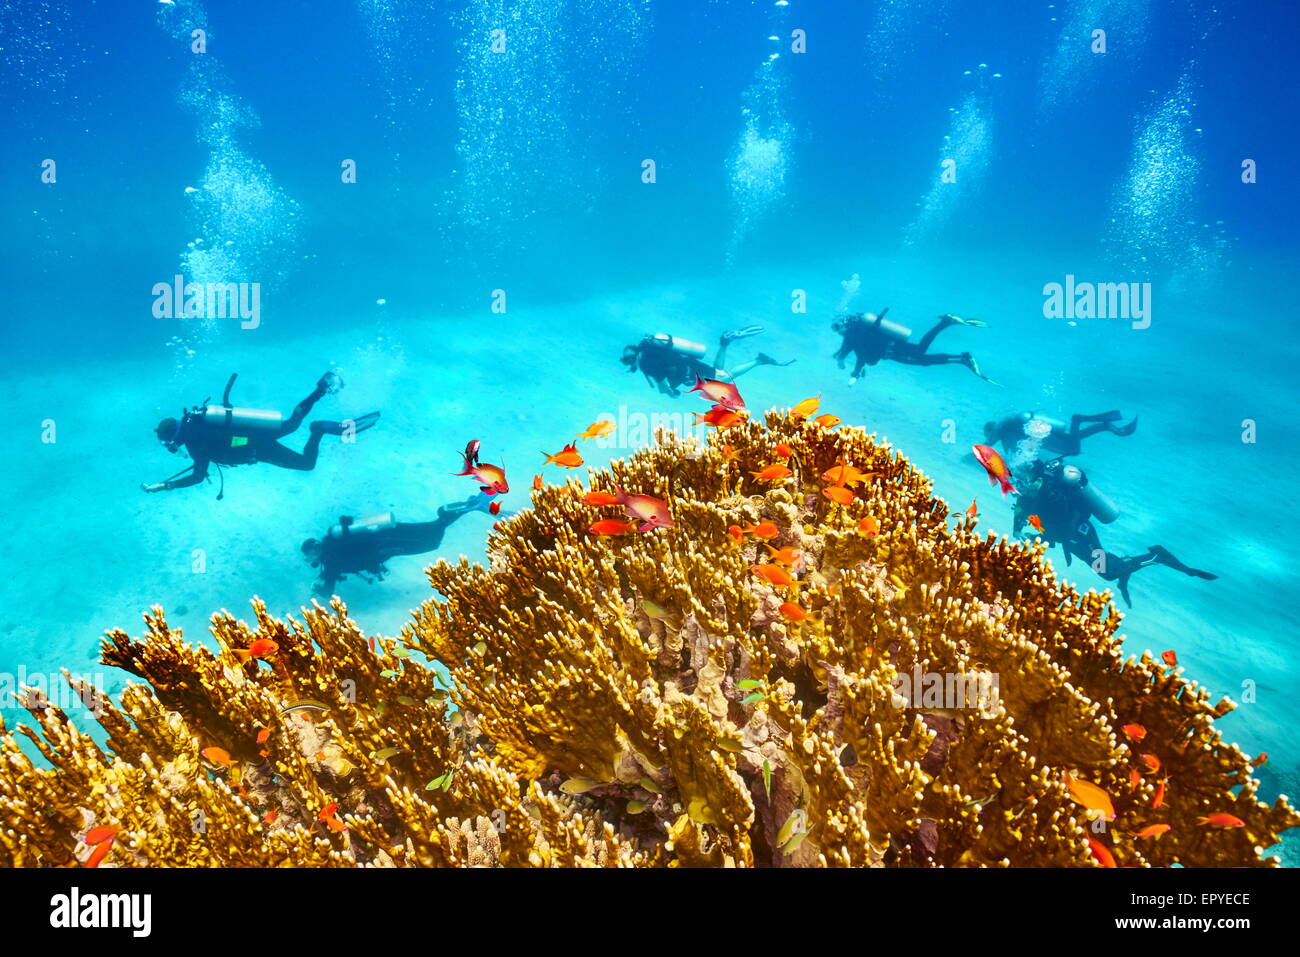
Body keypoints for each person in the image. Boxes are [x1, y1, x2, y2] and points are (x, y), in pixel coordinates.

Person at [1013, 458, 1216, 606]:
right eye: (1020, 480)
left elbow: (1063, 529)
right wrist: (1018, 530)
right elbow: (1021, 512)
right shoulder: (1028, 495)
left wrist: (1036, 537)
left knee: (1107, 571)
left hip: (1081, 535)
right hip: (1072, 541)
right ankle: (1125, 572)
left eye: (1027, 480)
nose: (1023, 485)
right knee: (1107, 570)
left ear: (1038, 478)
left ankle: (1156, 556)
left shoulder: (1054, 495)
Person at [144, 372, 379, 496]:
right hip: (255, 431)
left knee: (306, 464)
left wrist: (166, 486)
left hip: (257, 445)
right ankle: (321, 389)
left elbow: (197, 477)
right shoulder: (198, 420)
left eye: (168, 443)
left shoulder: (196, 443)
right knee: (292, 422)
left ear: (174, 438)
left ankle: (318, 430)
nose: (171, 447)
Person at [302, 493, 511, 596]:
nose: (308, 560)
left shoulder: (329, 563)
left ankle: (464, 508)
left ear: (315, 550)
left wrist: (315, 589)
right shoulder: (332, 544)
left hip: (387, 545)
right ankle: (467, 505)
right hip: (387, 532)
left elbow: (328, 591)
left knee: (432, 541)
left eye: (308, 555)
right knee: (432, 529)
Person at [831, 309, 995, 385]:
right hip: (892, 345)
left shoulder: (852, 335)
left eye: (838, 329)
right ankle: (947, 329)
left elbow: (861, 354)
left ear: (842, 325)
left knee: (922, 358)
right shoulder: (858, 331)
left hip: (892, 350)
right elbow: (861, 353)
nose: (839, 333)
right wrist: (850, 366)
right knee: (921, 352)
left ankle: (948, 329)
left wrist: (852, 370)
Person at [620, 325, 794, 397]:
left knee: (725, 377)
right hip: (688, 364)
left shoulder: (647, 364)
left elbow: (663, 385)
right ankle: (725, 343)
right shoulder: (649, 350)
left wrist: (670, 394)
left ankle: (758, 361)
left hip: (689, 370)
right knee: (718, 371)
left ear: (631, 361)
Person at [984, 410, 1138, 459]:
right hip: (1056, 435)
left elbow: (991, 443)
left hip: (1067, 448)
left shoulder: (1005, 432)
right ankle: (1109, 425)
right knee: (1079, 434)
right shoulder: (1012, 428)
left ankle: (1085, 420)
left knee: (1075, 425)